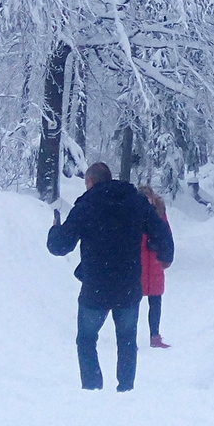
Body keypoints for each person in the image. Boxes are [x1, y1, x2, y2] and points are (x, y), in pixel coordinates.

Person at [47, 162, 173, 392]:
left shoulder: (87, 204)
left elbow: (60, 246)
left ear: (91, 182)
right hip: (128, 287)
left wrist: (55, 228)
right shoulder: (136, 202)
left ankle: (93, 388)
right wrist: (165, 255)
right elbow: (161, 232)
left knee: (86, 340)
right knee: (126, 341)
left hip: (96, 287)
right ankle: (125, 390)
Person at [137, 185, 171, 348]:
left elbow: (167, 236)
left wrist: (158, 247)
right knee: (133, 303)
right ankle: (130, 338)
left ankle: (155, 336)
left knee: (155, 301)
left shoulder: (159, 214)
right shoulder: (134, 214)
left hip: (155, 264)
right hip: (139, 264)